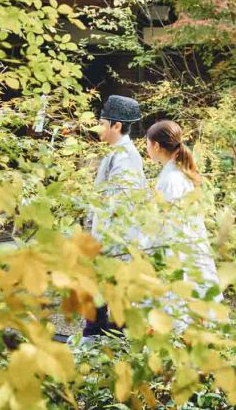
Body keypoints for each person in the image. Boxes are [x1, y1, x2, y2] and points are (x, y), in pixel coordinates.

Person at [84, 94, 147, 338]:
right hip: (112, 237)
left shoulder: (124, 157)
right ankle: (102, 337)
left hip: (115, 239)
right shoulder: (118, 153)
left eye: (102, 122)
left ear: (116, 126)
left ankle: (96, 338)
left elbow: (118, 204)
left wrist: (101, 241)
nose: (99, 127)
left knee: (107, 293)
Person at [145, 120, 220, 305]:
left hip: (178, 250)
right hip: (189, 246)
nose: (146, 148)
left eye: (147, 144)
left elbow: (166, 221)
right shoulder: (179, 173)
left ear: (156, 145)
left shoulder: (171, 178)